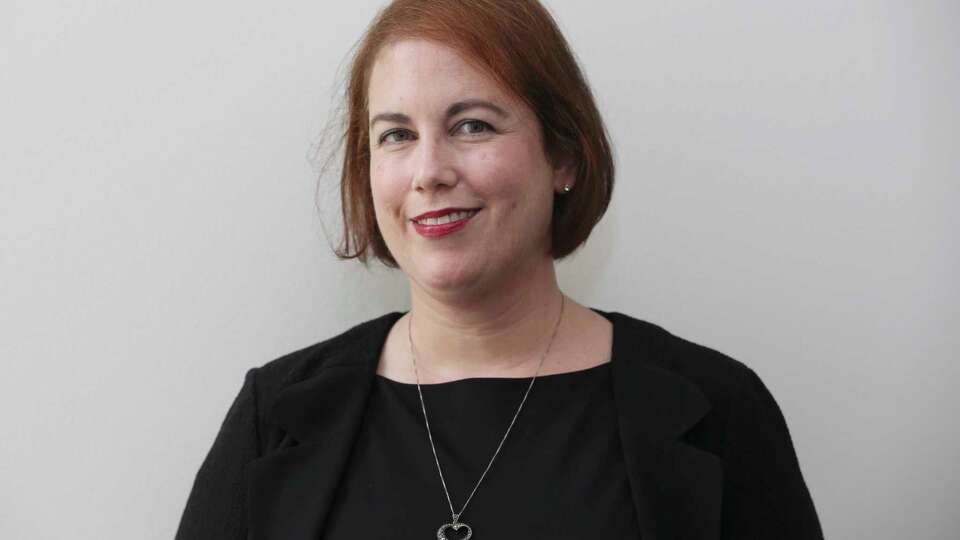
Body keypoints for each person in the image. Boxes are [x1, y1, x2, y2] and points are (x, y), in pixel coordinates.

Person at [175, 1, 824, 538]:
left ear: (563, 157)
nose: (430, 171)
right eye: (396, 135)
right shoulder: (274, 417)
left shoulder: (719, 412)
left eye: (473, 125)